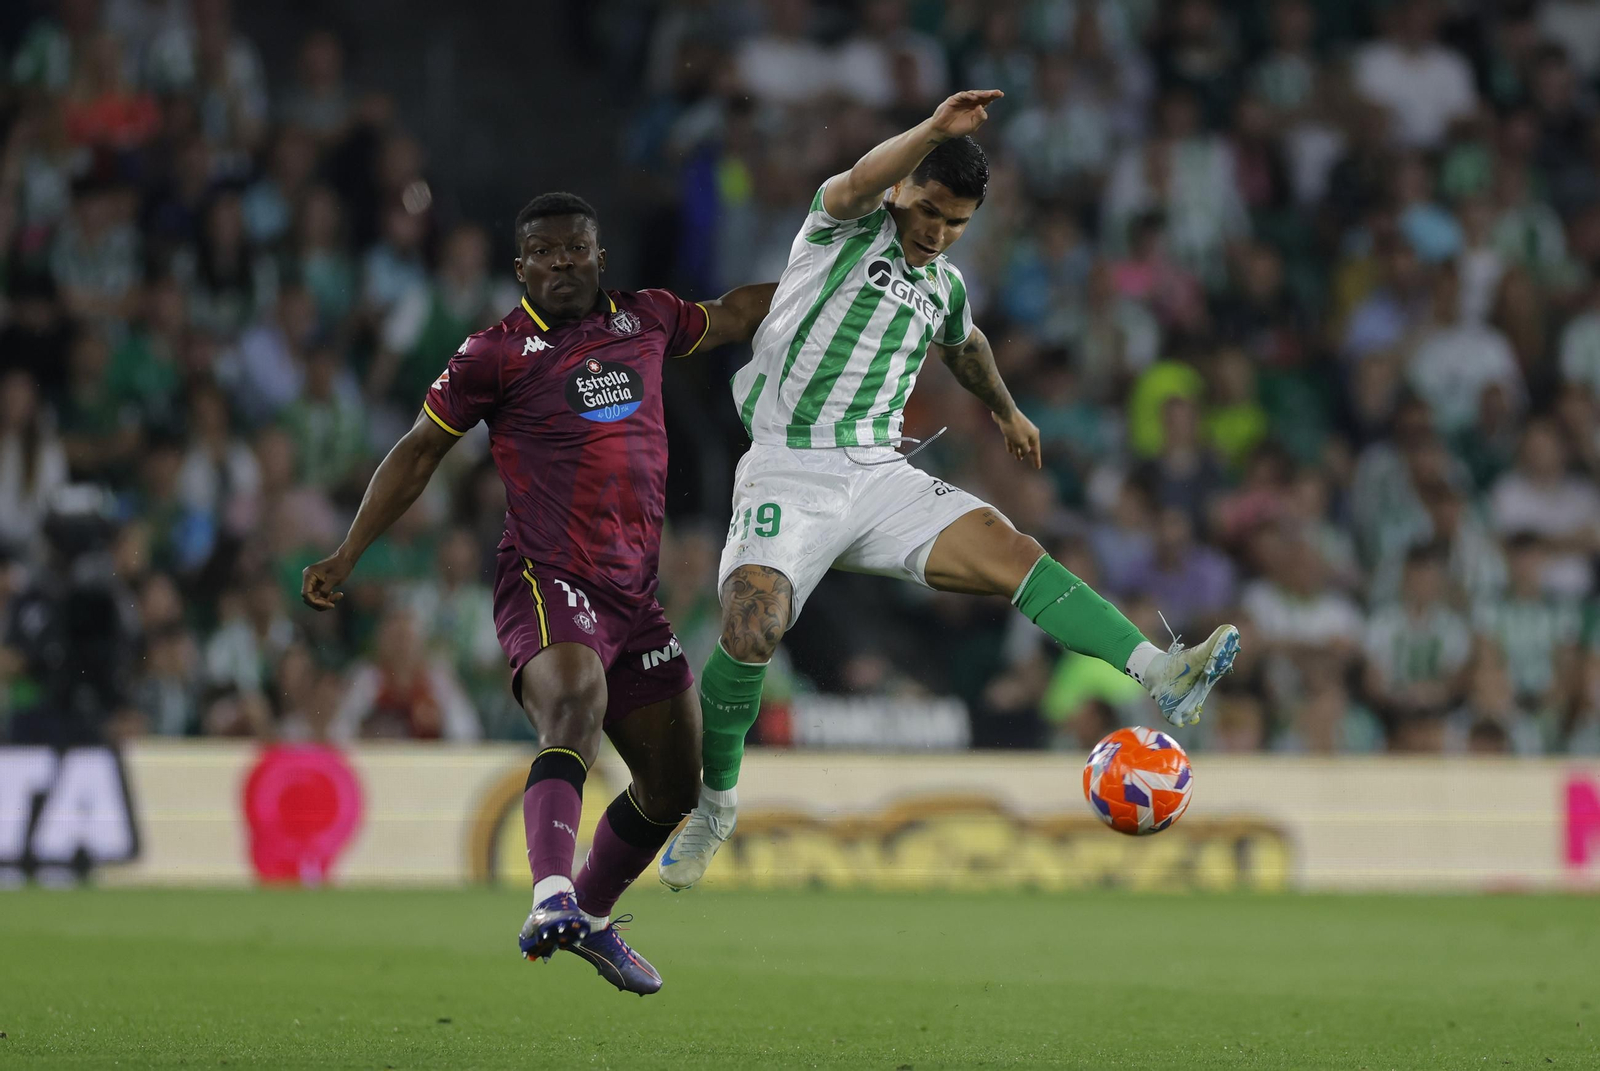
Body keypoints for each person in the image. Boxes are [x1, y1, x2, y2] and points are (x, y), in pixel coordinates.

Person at [660, 91, 1240, 889]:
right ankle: (715, 803)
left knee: (1014, 551)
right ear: (905, 190)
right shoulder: (843, 224)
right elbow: (863, 174)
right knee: (752, 624)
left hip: (877, 471)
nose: (937, 233)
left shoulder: (945, 284)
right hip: (789, 467)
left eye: (956, 222)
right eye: (929, 210)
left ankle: (1161, 671)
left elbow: (966, 346)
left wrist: (1006, 408)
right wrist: (932, 130)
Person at [300, 192, 774, 994]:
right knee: (574, 701)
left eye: (575, 249)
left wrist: (824, 279)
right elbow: (419, 453)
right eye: (544, 254)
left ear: (599, 257)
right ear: (520, 268)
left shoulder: (648, 318)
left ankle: (583, 914)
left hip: (634, 594)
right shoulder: (495, 353)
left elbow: (732, 315)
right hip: (546, 575)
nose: (561, 264)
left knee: (672, 787)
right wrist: (349, 552)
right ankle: (548, 890)